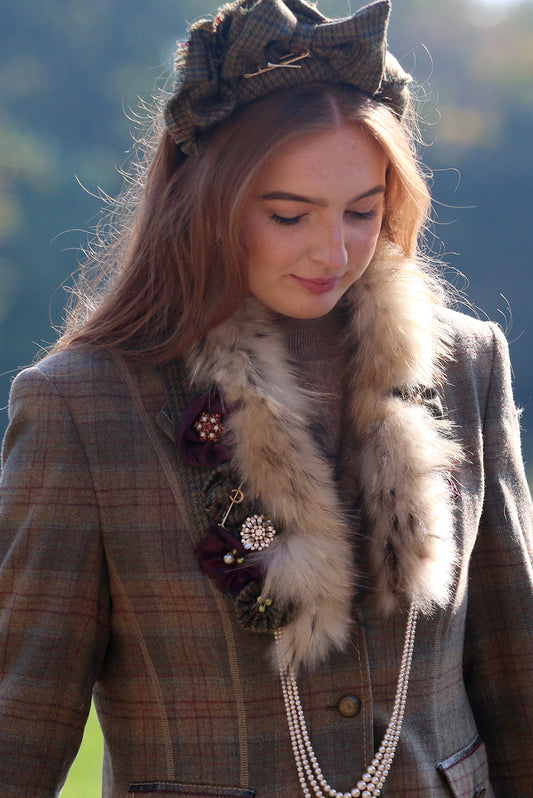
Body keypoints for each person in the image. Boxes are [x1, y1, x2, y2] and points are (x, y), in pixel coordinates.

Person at [0, 0, 532, 795]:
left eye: (363, 210)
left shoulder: (465, 363)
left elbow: (515, 670)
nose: (333, 251)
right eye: (288, 215)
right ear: (203, 201)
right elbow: (21, 727)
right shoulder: (79, 408)